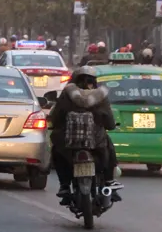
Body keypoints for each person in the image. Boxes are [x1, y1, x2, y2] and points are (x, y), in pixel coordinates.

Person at [47, 66, 120, 202]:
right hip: (96, 143)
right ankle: (109, 181)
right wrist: (109, 126)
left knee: (57, 151)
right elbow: (109, 122)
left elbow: (56, 117)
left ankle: (64, 186)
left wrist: (55, 126)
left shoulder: (67, 94)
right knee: (109, 149)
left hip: (68, 144)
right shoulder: (101, 96)